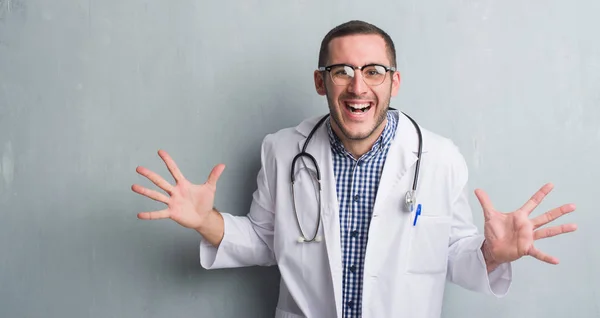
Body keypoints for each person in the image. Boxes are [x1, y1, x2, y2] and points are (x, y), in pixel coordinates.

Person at [131, 20, 578, 318]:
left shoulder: (440, 159)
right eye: (342, 70)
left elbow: (453, 254)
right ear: (320, 81)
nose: (357, 86)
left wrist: (490, 253)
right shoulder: (282, 151)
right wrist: (205, 222)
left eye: (374, 71)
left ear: (394, 81)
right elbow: (267, 242)